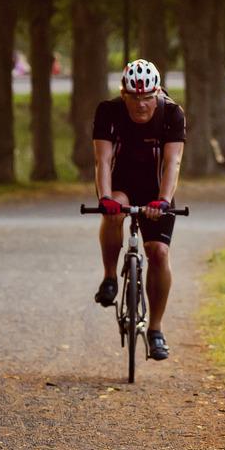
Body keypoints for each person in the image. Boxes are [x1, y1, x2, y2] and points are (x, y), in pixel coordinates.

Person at [92, 58, 187, 360]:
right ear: (124, 94)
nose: (141, 104)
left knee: (158, 252)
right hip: (121, 184)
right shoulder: (108, 112)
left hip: (156, 189)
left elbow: (173, 162)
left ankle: (155, 330)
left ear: (157, 93)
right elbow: (102, 161)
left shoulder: (172, 114)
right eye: (134, 97)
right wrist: (105, 198)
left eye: (147, 97)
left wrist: (163, 200)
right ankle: (110, 277)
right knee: (114, 211)